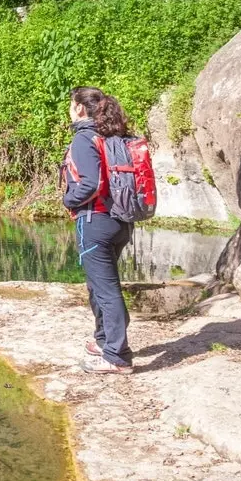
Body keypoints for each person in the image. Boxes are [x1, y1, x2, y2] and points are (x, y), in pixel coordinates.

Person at [61, 86, 135, 375]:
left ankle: (117, 356)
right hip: (120, 221)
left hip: (95, 223)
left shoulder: (84, 138)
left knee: (105, 290)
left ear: (80, 108)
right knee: (99, 285)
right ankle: (105, 341)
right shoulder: (113, 134)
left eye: (71, 104)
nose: (69, 109)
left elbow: (90, 184)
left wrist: (68, 199)